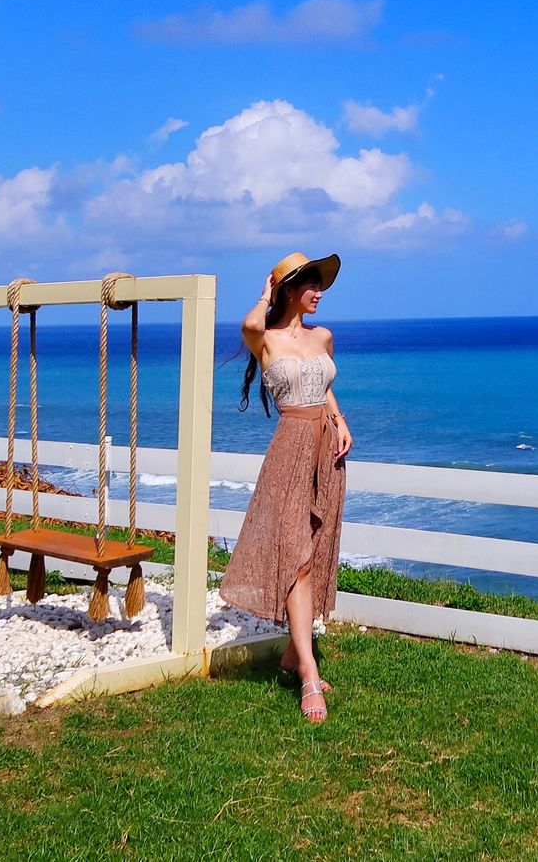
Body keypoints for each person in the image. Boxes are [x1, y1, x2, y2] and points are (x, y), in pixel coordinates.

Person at [218, 250, 354, 722]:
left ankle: (293, 654)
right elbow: (251, 322)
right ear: (289, 290)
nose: (319, 293)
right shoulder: (266, 338)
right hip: (290, 448)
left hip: (326, 449)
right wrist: (265, 292)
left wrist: (339, 420)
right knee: (294, 555)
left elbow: (325, 384)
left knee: (313, 550)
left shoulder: (324, 337)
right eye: (311, 285)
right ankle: (309, 673)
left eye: (321, 286)